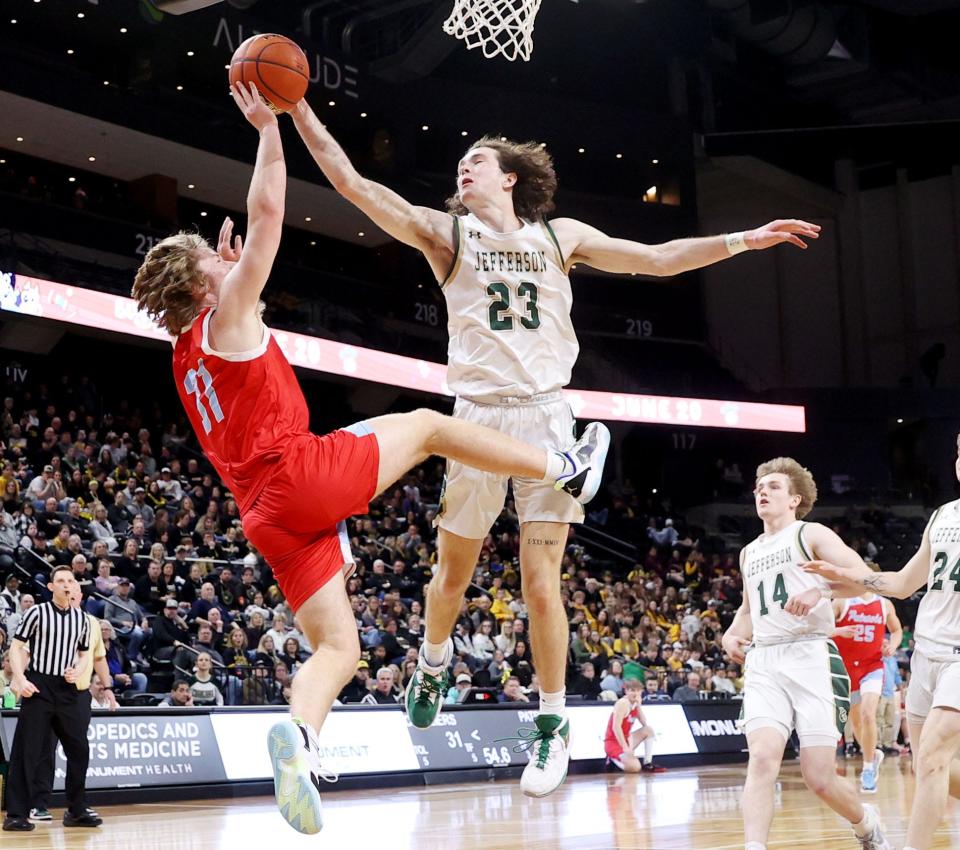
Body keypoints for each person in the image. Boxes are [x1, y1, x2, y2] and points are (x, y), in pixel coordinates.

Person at [290, 101, 820, 801]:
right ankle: (433, 659)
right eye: (461, 164)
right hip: (478, 417)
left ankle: (551, 723)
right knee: (453, 577)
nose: (464, 168)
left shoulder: (558, 235)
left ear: (510, 177)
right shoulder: (447, 234)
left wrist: (742, 240)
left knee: (542, 583)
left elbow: (657, 259)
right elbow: (356, 184)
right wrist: (297, 109)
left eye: (476, 160)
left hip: (546, 416)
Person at [131, 81, 608, 837]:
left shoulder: (187, 352)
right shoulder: (227, 311)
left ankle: (300, 738)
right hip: (296, 474)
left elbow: (236, 294)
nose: (218, 255)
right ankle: (563, 468)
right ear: (200, 282)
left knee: (339, 647)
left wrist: (230, 279)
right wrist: (265, 130)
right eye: (205, 256)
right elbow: (265, 218)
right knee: (425, 424)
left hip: (263, 517)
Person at [721, 458, 891, 850]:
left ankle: (866, 824)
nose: (762, 491)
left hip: (811, 655)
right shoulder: (749, 552)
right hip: (764, 660)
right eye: (759, 487)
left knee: (819, 777)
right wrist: (733, 632)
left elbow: (863, 577)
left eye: (774, 486)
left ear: (795, 498)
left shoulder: (810, 533)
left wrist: (823, 590)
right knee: (762, 760)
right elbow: (748, 611)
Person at [805, 432, 960, 850]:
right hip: (927, 653)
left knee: (930, 759)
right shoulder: (944, 514)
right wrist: (853, 577)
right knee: (935, 766)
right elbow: (905, 583)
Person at [2, 567, 100, 831]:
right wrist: (20, 679)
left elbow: (83, 654)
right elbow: (17, 646)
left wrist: (78, 670)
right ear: (51, 586)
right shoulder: (37, 612)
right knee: (28, 750)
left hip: (67, 690)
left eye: (70, 580)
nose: (66, 585)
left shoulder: (82, 619)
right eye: (60, 581)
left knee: (79, 749)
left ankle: (77, 810)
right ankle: (16, 814)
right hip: (40, 685)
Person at [31, 585, 117, 824]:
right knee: (45, 750)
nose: (71, 593)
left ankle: (76, 808)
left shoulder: (91, 623)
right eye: (66, 589)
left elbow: (99, 658)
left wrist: (108, 688)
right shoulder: (47, 617)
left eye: (75, 591)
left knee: (79, 753)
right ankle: (39, 804)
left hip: (78, 695)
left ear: (81, 597)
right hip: (50, 692)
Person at [831, 576, 902, 793]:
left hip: (872, 667)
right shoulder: (841, 602)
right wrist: (838, 631)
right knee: (857, 724)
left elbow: (896, 630)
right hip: (847, 670)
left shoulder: (884, 604)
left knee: (868, 714)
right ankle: (872, 753)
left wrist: (893, 646)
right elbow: (820, 629)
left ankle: (868, 768)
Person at [604, 678, 665, 773]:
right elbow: (616, 728)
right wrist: (625, 747)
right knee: (635, 767)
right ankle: (612, 759)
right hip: (614, 742)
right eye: (632, 690)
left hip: (627, 739)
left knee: (648, 730)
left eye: (638, 691)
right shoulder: (622, 703)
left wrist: (639, 706)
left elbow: (644, 723)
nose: (635, 694)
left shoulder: (635, 704)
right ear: (626, 691)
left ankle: (647, 763)